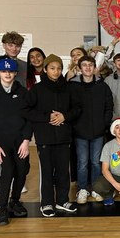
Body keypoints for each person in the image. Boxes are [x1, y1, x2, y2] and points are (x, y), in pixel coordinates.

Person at [22, 54, 81, 217]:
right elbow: (26, 110)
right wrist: (47, 117)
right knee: (47, 171)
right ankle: (47, 202)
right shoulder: (37, 89)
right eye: (52, 68)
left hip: (64, 136)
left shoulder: (68, 88)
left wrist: (65, 116)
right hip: (45, 137)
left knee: (63, 171)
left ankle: (62, 200)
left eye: (59, 68)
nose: (56, 71)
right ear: (46, 69)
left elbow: (77, 109)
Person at [0, 58, 31, 225]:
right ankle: (1, 207)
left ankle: (15, 200)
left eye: (10, 71)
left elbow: (28, 119)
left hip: (20, 140)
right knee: (7, 171)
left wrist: (26, 140)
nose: (7, 74)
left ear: (15, 73)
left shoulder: (23, 92)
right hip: (2, 142)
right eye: (4, 71)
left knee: (22, 169)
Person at [70, 55, 114, 204]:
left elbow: (109, 107)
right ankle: (82, 189)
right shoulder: (73, 86)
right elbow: (69, 108)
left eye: (90, 65)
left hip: (98, 131)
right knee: (82, 162)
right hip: (80, 132)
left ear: (95, 68)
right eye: (84, 65)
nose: (88, 68)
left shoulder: (102, 86)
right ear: (79, 68)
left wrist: (104, 124)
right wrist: (74, 126)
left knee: (96, 162)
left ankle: (96, 188)